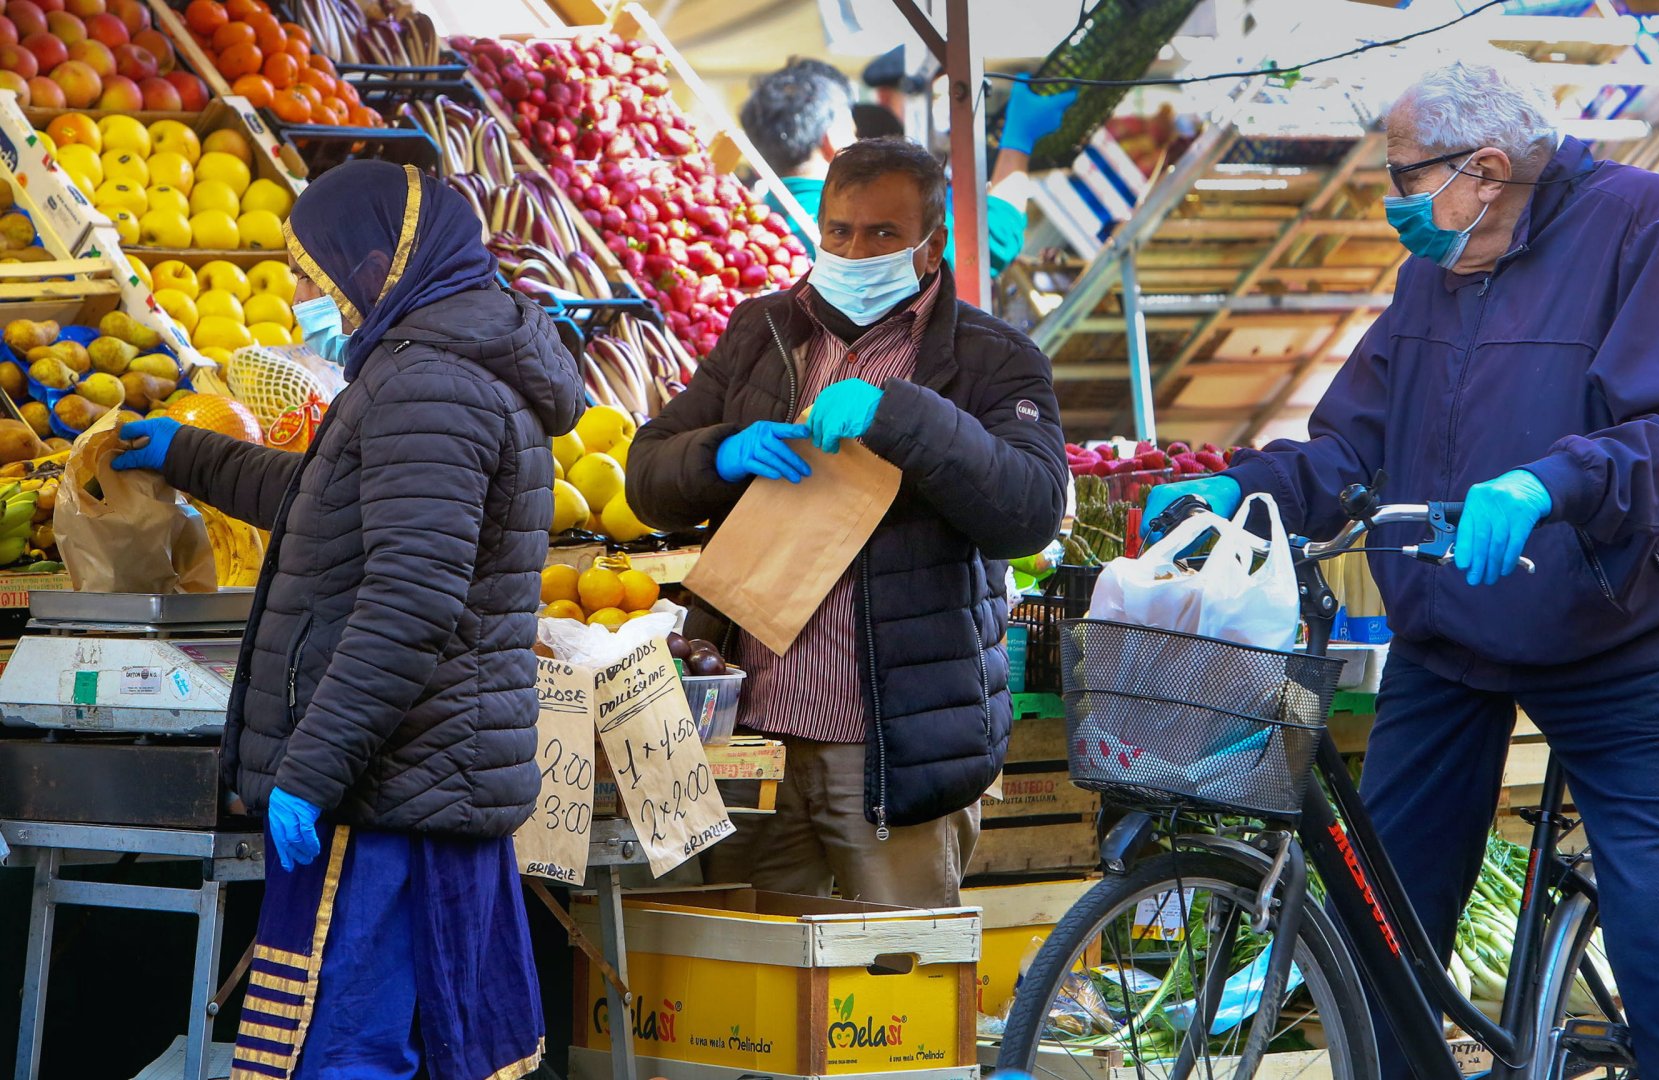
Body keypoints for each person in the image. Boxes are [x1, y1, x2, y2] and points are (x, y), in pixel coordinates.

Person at [1145, 61, 1659, 1078]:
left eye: (1403, 175)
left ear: (1484, 167)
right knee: (1382, 922)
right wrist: (1241, 489)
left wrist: (1550, 485)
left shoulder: (1640, 224)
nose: (1393, 203)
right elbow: (1354, 446)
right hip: (1457, 630)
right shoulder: (1435, 267)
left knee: (1656, 922)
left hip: (1623, 634)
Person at [114, 160, 585, 1080]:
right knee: (416, 1039)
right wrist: (192, 454)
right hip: (421, 773)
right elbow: (331, 498)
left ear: (377, 266)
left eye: (312, 272)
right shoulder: (429, 367)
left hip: (393, 787)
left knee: (353, 1049)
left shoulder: (431, 384)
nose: (301, 293)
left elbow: (410, 597)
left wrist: (313, 769)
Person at [625, 137, 1068, 909]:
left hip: (893, 754)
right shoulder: (762, 331)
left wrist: (904, 415)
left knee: (898, 994)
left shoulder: (994, 359)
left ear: (931, 251)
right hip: (749, 742)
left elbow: (1028, 511)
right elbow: (646, 476)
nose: (855, 250)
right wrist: (720, 453)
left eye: (884, 235)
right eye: (838, 230)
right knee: (742, 991)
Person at [738, 58, 1075, 275]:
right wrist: (1018, 141)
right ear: (831, 138)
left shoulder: (757, 224)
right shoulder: (862, 215)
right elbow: (986, 244)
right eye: (852, 127)